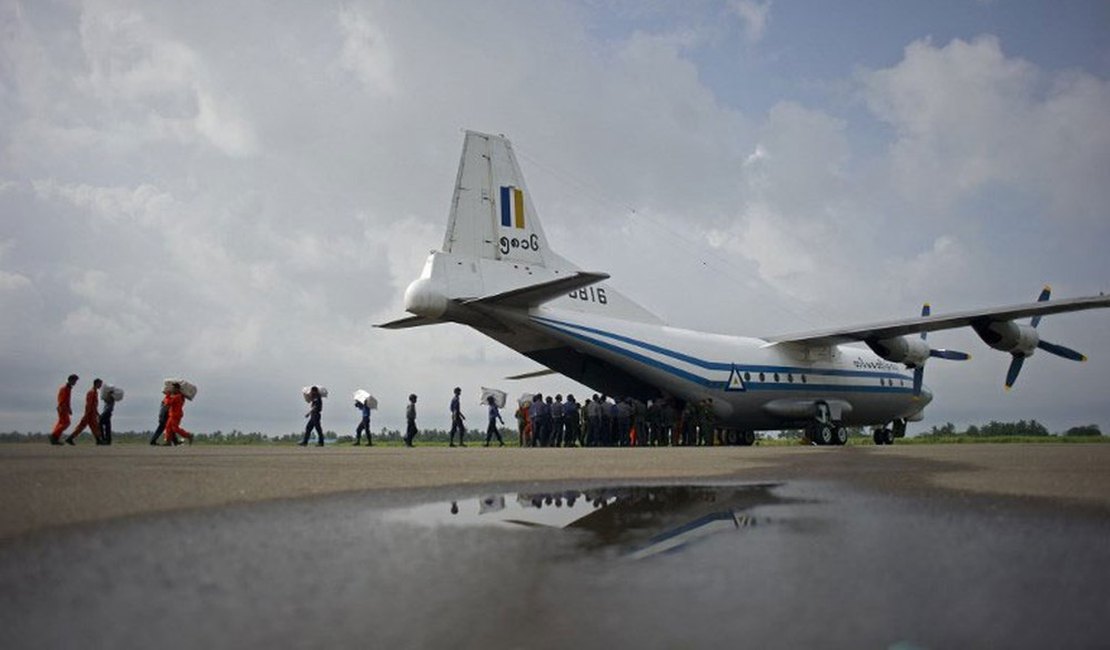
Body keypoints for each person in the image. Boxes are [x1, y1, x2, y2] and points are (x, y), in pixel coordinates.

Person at [67, 378, 104, 445]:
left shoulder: (95, 392)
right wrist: (87, 414)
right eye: (100, 384)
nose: (101, 385)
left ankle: (98, 440)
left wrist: (97, 413)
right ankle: (69, 438)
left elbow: (94, 405)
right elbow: (89, 404)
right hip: (89, 414)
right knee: (81, 427)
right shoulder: (91, 392)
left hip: (92, 413)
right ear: (96, 383)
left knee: (95, 427)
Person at [49, 374, 79, 445]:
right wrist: (65, 408)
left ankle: (55, 438)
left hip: (64, 408)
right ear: (71, 380)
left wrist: (69, 408)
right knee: (66, 423)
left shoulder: (68, 388)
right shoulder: (64, 388)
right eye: (75, 381)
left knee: (61, 423)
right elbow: (62, 400)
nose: (75, 382)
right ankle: (54, 436)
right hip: (62, 408)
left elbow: (67, 400)